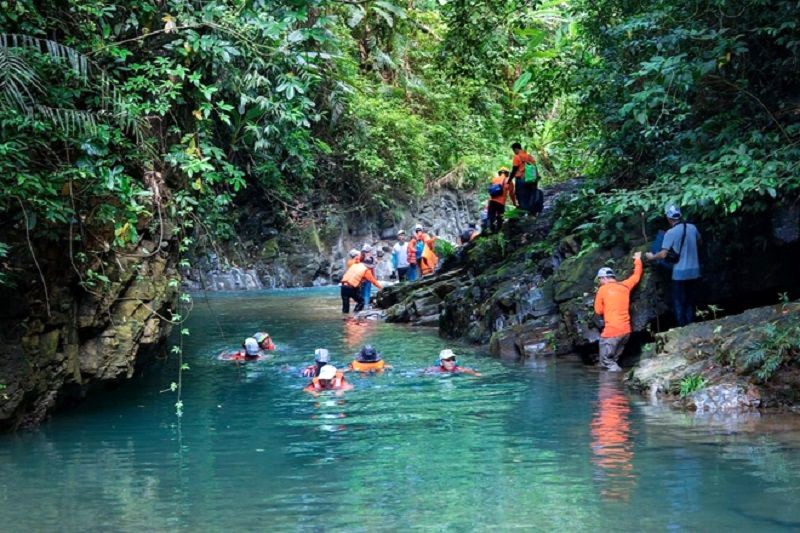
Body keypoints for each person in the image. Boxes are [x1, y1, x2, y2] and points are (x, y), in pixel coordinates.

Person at [645, 206, 702, 327]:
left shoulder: (671, 233)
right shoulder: (692, 227)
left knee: (679, 301)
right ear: (680, 215)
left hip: (680, 274)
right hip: (695, 271)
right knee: (690, 301)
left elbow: (663, 254)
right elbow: (699, 242)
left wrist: (652, 257)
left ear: (668, 218)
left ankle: (682, 327)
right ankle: (691, 325)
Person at [593, 252, 643, 371]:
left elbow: (598, 310)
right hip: (625, 332)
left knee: (607, 363)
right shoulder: (625, 286)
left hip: (611, 333)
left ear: (604, 278)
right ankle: (617, 386)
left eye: (600, 279)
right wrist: (637, 259)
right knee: (613, 361)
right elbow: (636, 276)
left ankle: (613, 385)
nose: (599, 282)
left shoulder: (602, 290)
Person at [487, 167, 517, 233]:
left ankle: (490, 230)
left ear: (499, 173)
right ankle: (499, 232)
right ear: (507, 173)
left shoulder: (494, 179)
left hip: (492, 201)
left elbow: (491, 191)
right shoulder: (509, 181)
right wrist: (514, 204)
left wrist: (488, 203)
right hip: (501, 203)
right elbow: (512, 194)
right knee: (500, 218)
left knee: (491, 217)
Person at [510, 142, 537, 213]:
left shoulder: (517, 157)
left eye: (513, 150)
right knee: (530, 194)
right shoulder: (529, 156)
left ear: (516, 149)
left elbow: (514, 169)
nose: (514, 152)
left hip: (521, 179)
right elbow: (534, 166)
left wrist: (509, 179)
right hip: (531, 179)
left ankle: (524, 213)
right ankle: (532, 212)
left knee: (521, 196)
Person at [360, 244, 374, 309]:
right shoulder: (368, 258)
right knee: (366, 292)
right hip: (365, 278)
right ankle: (365, 305)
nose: (370, 252)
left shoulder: (363, 259)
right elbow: (372, 266)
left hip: (365, 278)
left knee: (364, 291)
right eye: (369, 251)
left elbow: (372, 266)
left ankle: (364, 305)